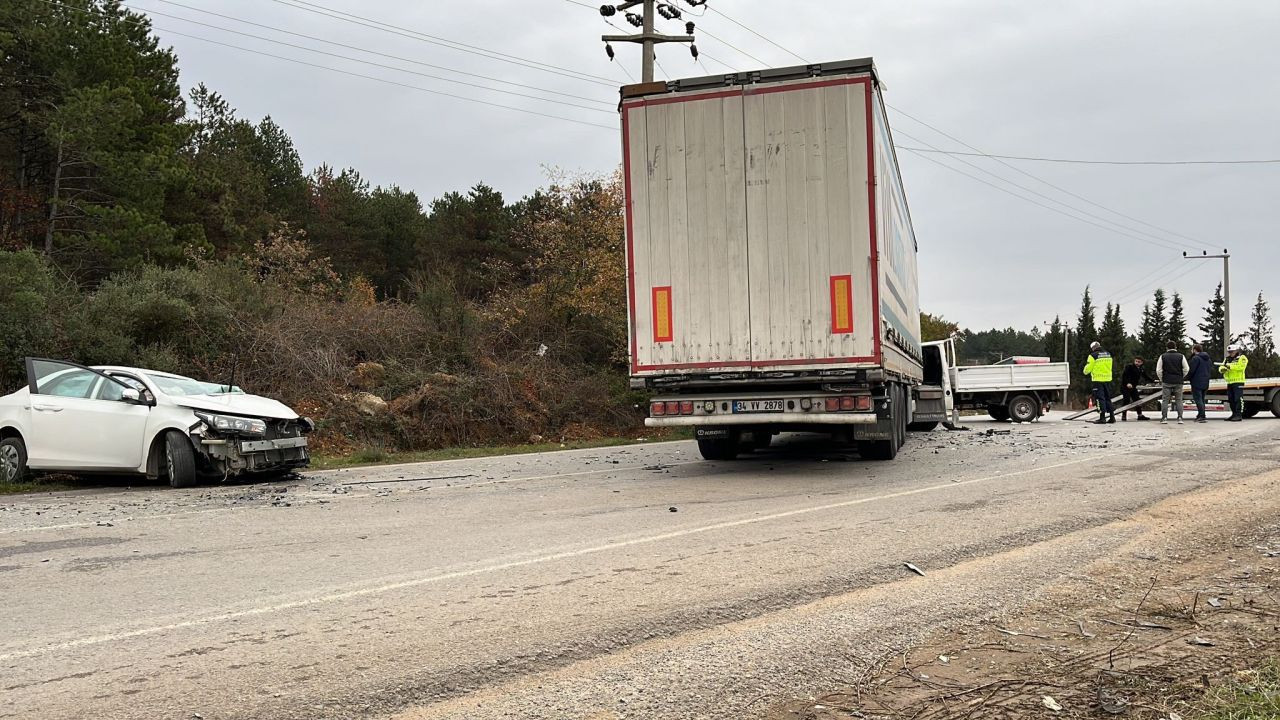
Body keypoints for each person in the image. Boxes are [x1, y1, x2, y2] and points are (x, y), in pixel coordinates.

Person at [1155, 341, 1190, 424]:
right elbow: (1186, 369)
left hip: (1167, 381)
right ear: (1176, 347)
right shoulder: (1181, 356)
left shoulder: (1162, 356)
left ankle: (1164, 418)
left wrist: (1161, 378)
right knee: (1179, 400)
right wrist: (1181, 376)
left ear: (1166, 348)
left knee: (1165, 400)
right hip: (1178, 381)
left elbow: (1158, 370)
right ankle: (1180, 418)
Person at [1084, 341, 1116, 424]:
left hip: (1098, 379)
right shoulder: (1108, 354)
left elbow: (1088, 368)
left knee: (1099, 399)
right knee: (1107, 398)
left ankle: (1102, 418)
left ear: (1093, 348)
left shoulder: (1093, 355)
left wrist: (1085, 371)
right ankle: (1112, 417)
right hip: (1108, 379)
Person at [1218, 344, 1249, 421]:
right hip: (1230, 382)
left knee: (1238, 399)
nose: (1230, 353)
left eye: (1232, 352)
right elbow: (1221, 366)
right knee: (1231, 399)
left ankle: (1239, 415)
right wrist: (1222, 369)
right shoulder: (1227, 359)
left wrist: (1229, 367)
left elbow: (1241, 367)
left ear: (1236, 351)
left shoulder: (1242, 358)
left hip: (1238, 381)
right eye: (1229, 352)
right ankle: (1234, 414)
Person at [1120, 356, 1154, 421]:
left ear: (1142, 363)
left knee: (1137, 401)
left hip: (1133, 387)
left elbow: (1145, 376)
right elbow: (1125, 376)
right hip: (1125, 387)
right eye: (1136, 361)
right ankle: (1124, 415)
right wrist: (1127, 383)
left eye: (1139, 362)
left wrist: (1153, 381)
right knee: (1126, 400)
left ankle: (1140, 415)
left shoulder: (1141, 369)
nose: (1137, 363)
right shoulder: (1129, 367)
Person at [1187, 343, 1212, 422]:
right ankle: (1201, 414)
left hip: (1197, 381)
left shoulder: (1195, 358)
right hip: (1205, 381)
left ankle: (1202, 416)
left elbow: (1191, 370)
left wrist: (1188, 378)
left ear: (1195, 350)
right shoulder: (1208, 359)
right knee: (1202, 399)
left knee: (1198, 399)